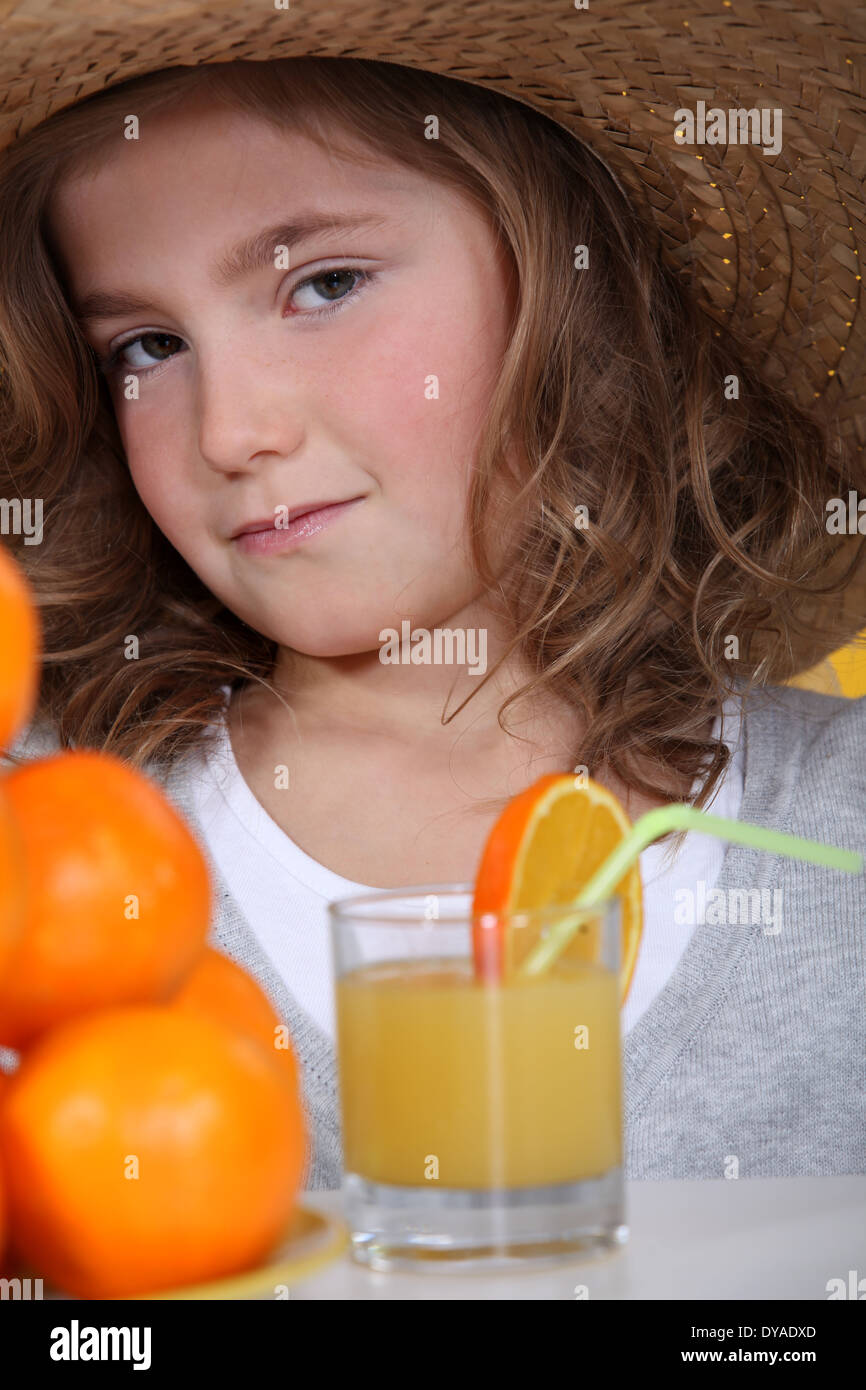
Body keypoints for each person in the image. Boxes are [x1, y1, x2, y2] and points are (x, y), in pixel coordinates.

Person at [0, 19, 864, 1186]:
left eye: (325, 284)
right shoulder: (45, 847)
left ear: (570, 289)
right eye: (149, 346)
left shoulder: (835, 821)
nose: (231, 431)